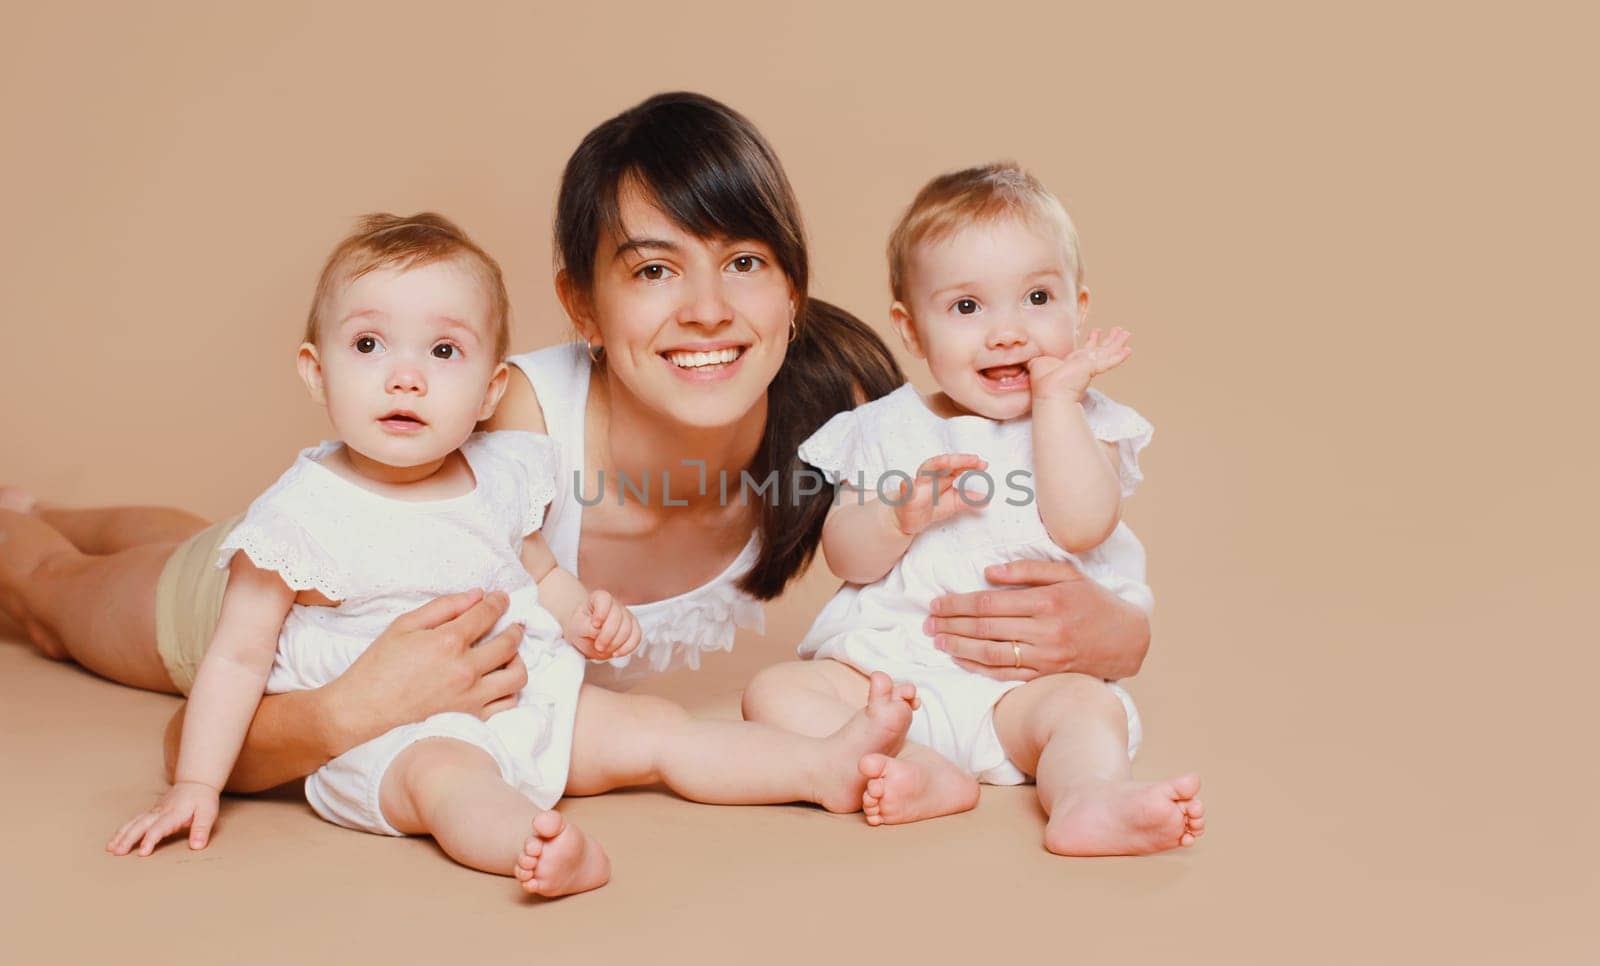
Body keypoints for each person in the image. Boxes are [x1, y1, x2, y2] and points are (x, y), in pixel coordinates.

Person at [0, 92, 1152, 799]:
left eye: (743, 261)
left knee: (143, 530)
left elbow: (1019, 518)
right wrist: (353, 708)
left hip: (385, 647)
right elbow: (218, 736)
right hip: (276, 610)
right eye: (654, 268)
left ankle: (67, 501)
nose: (708, 308)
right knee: (51, 591)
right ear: (583, 307)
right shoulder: (500, 425)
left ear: (793, 288)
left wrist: (1118, 634)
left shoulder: (844, 413)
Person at [106, 212, 924, 897]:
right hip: (388, 737)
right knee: (450, 783)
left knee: (655, 729)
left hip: (525, 697)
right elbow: (238, 661)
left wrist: (584, 613)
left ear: (490, 390)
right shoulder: (294, 519)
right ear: (315, 373)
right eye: (368, 348)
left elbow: (535, 567)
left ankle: (819, 767)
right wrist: (195, 786)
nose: (404, 379)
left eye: (443, 353)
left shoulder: (496, 470)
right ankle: (534, 846)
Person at [742, 163, 1203, 856]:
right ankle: (920, 771)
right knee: (776, 692)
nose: (1008, 333)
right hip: (888, 676)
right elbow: (846, 555)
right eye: (967, 308)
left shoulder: (1086, 424)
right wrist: (895, 519)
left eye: (1037, 298)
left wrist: (1056, 402)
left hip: (1025, 692)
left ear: (1079, 308)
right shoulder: (884, 427)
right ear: (911, 330)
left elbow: (1082, 524)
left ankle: (1088, 801)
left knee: (1087, 711)